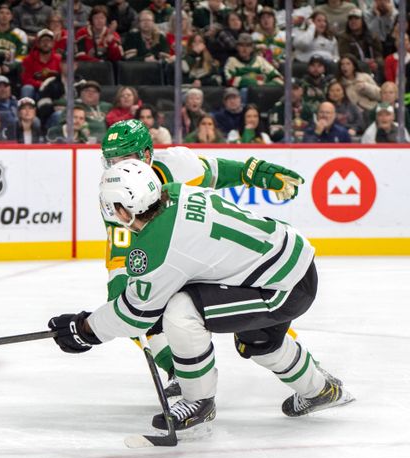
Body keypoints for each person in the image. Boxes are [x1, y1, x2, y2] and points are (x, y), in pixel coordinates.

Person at [47, 158, 353, 432]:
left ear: (123, 208)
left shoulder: (159, 247)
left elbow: (134, 316)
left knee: (182, 311)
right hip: (289, 263)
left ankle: (198, 401)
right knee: (259, 343)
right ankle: (320, 390)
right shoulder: (177, 192)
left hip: (282, 288)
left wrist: (85, 329)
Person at [87, 119, 309, 406]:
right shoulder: (118, 191)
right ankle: (179, 372)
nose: (118, 166)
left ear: (145, 155)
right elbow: (121, 252)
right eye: (112, 160)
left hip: (208, 257)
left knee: (256, 334)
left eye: (125, 158)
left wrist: (255, 174)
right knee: (147, 305)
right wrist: (121, 294)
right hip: (178, 257)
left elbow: (218, 172)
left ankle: (297, 362)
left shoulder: (178, 165)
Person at [337, 9, 383, 79]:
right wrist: (363, 64)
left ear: (363, 21)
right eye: (350, 19)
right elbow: (345, 56)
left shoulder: (372, 36)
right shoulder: (344, 38)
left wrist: (376, 62)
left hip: (373, 65)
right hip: (354, 67)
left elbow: (379, 54)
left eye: (356, 19)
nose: (353, 21)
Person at [20, 28, 61, 99]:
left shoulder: (59, 59)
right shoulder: (28, 59)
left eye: (48, 41)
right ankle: (26, 108)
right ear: (38, 44)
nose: (46, 43)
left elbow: (62, 78)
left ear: (53, 43)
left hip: (53, 89)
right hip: (35, 89)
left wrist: (49, 85)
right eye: (43, 41)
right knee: (27, 88)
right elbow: (26, 79)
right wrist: (41, 84)